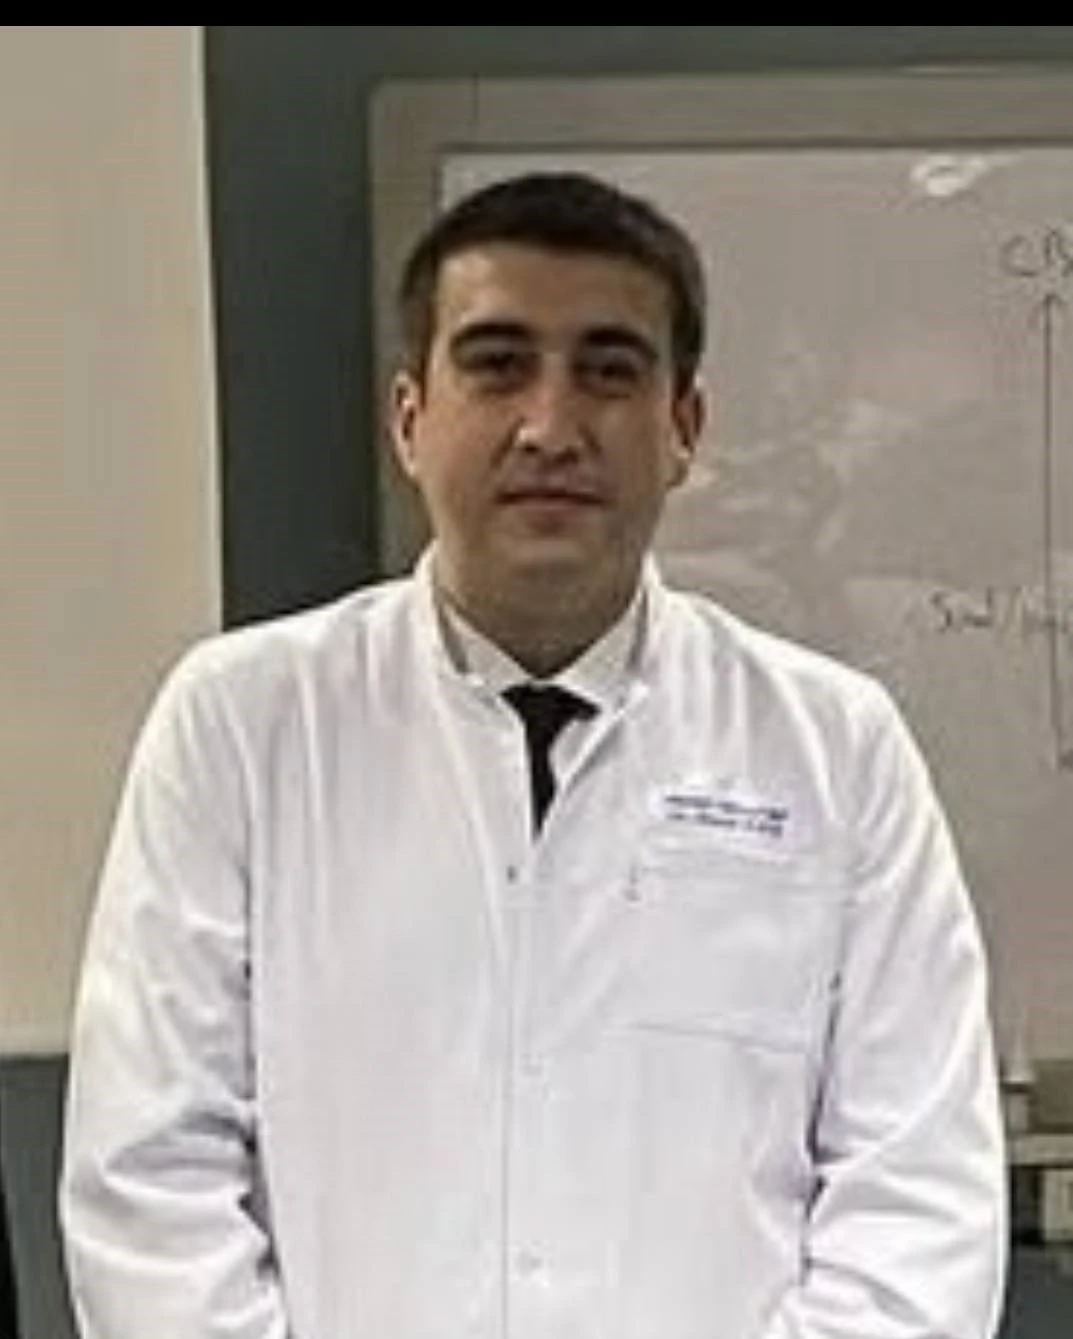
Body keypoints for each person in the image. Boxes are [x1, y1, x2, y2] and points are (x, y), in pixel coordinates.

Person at [60, 170, 1007, 1339]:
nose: (550, 427)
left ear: (683, 429)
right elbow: (152, 1176)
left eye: (607, 371)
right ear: (410, 418)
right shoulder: (243, 725)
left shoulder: (835, 750)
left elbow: (916, 1193)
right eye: (497, 364)